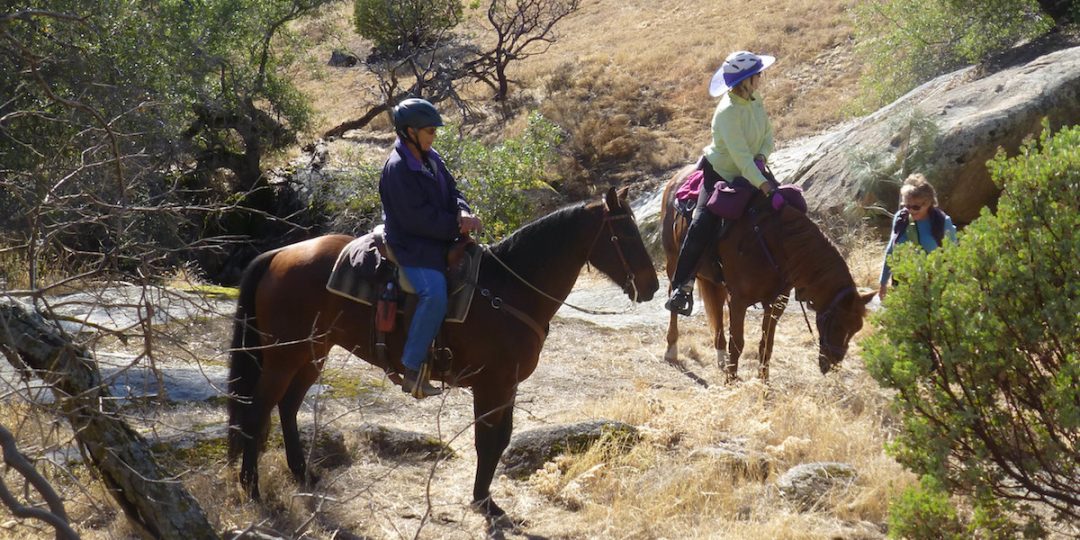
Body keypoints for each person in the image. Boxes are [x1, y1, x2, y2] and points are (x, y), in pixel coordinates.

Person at [379, 98, 482, 397]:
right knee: (434, 294)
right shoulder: (398, 168)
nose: (433, 136)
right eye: (429, 131)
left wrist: (462, 210)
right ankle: (412, 367)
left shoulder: (431, 157)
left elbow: (453, 191)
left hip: (438, 238)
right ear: (409, 131)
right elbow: (416, 219)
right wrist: (456, 225)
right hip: (412, 245)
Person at [665, 51, 778, 316]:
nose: (761, 78)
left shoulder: (755, 100)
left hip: (754, 170)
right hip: (721, 176)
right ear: (746, 80)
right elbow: (739, 158)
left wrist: (762, 157)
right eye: (757, 75)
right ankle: (683, 286)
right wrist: (763, 185)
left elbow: (768, 135)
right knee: (701, 224)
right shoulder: (727, 113)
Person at [878, 173, 958, 299]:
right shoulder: (900, 219)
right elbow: (891, 251)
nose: (910, 210)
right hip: (903, 284)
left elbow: (953, 257)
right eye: (907, 206)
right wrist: (883, 283)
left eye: (916, 207)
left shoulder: (942, 222)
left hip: (933, 287)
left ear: (929, 203)